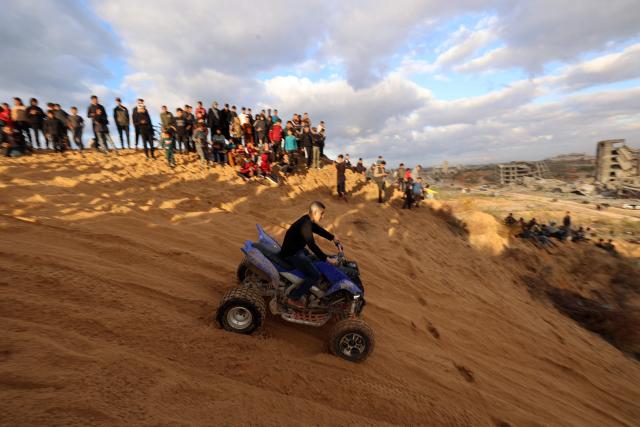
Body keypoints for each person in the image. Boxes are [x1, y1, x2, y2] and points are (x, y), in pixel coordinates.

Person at [279, 202, 339, 308]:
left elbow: (318, 229)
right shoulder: (305, 224)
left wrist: (332, 237)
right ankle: (293, 297)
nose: (323, 216)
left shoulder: (307, 219)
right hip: (291, 254)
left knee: (314, 259)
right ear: (315, 213)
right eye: (322, 213)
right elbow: (312, 245)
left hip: (297, 250)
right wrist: (326, 258)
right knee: (315, 275)